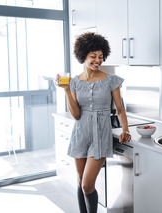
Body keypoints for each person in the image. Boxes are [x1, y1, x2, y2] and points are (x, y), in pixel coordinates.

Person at [56, 32, 131, 213]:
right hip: (81, 132)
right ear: (83, 56)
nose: (98, 60)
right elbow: (75, 114)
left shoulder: (111, 81)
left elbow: (120, 109)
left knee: (88, 185)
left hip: (101, 132)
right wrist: (66, 90)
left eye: (101, 56)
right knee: (80, 181)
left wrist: (125, 129)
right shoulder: (74, 82)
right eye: (93, 56)